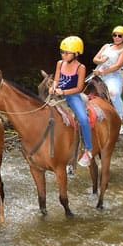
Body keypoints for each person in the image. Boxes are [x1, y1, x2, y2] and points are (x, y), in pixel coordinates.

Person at [48, 36, 93, 167]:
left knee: (84, 119)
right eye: (62, 52)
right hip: (58, 94)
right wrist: (53, 87)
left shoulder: (80, 67)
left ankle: (88, 150)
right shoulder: (59, 63)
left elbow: (79, 88)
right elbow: (57, 79)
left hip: (72, 96)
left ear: (76, 53)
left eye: (67, 53)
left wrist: (64, 92)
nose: (63, 55)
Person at [93, 26, 123, 133]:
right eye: (115, 35)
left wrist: (103, 72)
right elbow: (95, 59)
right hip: (97, 73)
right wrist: (101, 61)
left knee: (113, 93)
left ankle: (122, 120)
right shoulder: (106, 46)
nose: (117, 37)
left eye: (120, 36)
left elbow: (117, 66)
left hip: (113, 76)